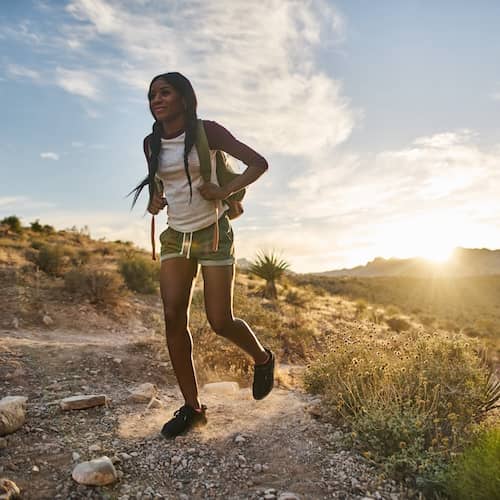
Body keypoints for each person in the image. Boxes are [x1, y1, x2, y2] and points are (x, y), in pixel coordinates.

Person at [130, 72, 275, 439]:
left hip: (213, 233)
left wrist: (224, 190)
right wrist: (154, 199)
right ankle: (193, 408)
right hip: (176, 236)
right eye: (152, 95)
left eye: (164, 92)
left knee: (219, 320)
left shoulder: (208, 131)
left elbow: (258, 163)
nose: (156, 100)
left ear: (184, 98)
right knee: (172, 317)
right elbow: (161, 185)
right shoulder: (151, 143)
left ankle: (263, 358)